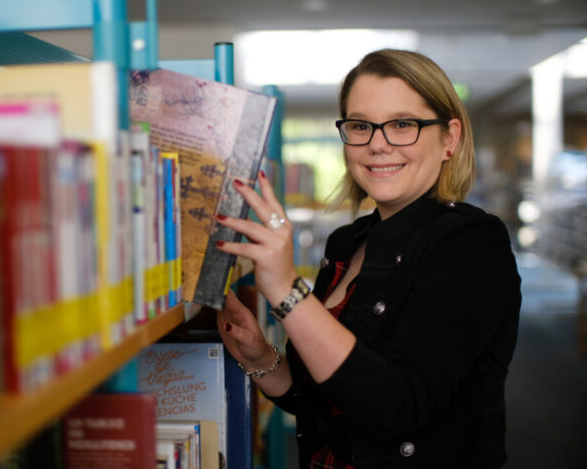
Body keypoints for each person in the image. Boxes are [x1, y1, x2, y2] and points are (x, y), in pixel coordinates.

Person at [213, 48, 522, 468]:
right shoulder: (347, 242)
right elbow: (324, 400)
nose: (377, 145)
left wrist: (287, 292)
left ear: (449, 138)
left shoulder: (472, 243)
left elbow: (397, 408)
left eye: (401, 125)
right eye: (361, 126)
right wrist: (260, 356)